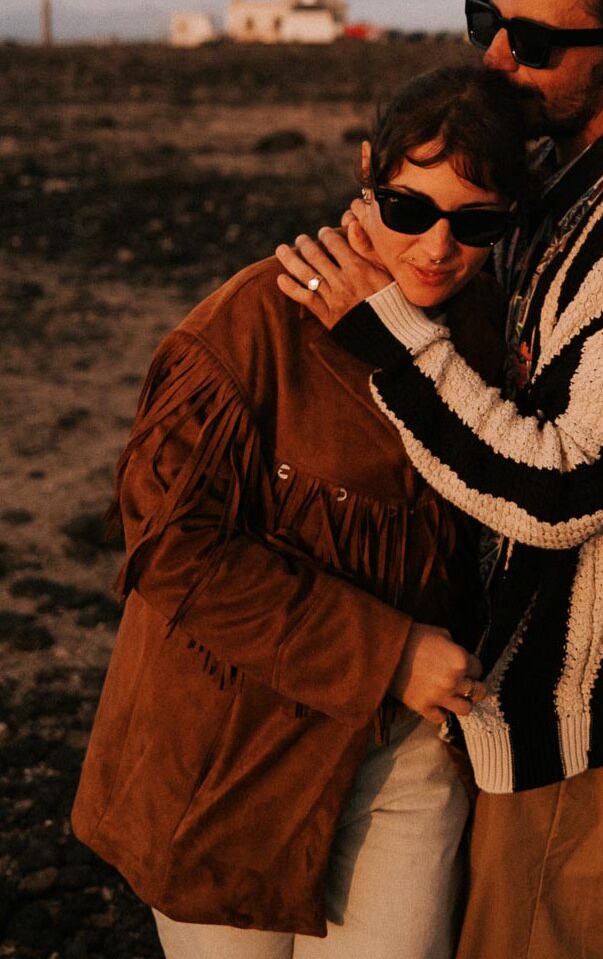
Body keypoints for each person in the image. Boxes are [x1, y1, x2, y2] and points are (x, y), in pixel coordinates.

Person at [277, 0, 603, 959]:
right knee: (585, 922)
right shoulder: (558, 189)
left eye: (532, 41)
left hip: (581, 705)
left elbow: (571, 488)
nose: (494, 54)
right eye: (491, 18)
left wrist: (383, 338)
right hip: (529, 686)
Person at [72, 65, 530, 959]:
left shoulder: (490, 335)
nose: (437, 248)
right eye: (409, 210)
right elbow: (172, 550)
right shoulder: (248, 330)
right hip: (229, 763)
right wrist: (389, 652)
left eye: (476, 224)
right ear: (367, 171)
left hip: (402, 758)